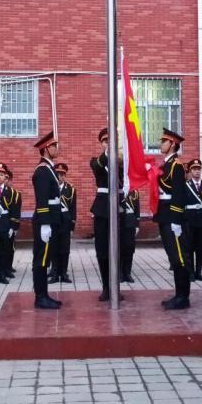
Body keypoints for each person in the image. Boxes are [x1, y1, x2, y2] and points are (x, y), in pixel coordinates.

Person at [155, 128, 191, 309]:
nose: (161, 144)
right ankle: (179, 294)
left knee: (179, 257)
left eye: (164, 141)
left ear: (172, 144)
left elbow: (178, 194)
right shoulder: (166, 164)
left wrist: (176, 220)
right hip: (164, 214)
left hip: (172, 215)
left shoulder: (176, 165)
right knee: (173, 257)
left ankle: (183, 297)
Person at [32, 132, 64, 309]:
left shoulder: (49, 169)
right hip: (46, 220)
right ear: (46, 149)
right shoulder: (42, 171)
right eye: (54, 146)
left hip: (52, 218)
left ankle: (44, 295)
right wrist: (45, 224)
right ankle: (40, 297)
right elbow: (42, 199)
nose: (57, 149)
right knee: (41, 259)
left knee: (46, 258)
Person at [90, 127, 115, 301]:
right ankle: (106, 286)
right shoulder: (96, 161)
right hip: (102, 207)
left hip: (118, 206)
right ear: (101, 143)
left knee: (119, 249)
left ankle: (116, 286)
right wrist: (108, 152)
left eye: (111, 140)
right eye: (105, 141)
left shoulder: (121, 161)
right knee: (102, 250)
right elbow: (98, 166)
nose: (108, 143)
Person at [184, 158, 202, 281]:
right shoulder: (185, 185)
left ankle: (198, 272)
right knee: (189, 247)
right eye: (194, 169)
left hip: (201, 220)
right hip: (189, 220)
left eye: (198, 169)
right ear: (190, 171)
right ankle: (190, 273)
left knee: (200, 248)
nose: (197, 171)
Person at [50, 162, 76, 284]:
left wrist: (72, 227)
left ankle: (64, 273)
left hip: (65, 221)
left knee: (65, 249)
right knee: (54, 247)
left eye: (62, 174)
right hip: (53, 221)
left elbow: (73, 209)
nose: (60, 177)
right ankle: (55, 273)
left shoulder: (71, 189)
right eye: (58, 174)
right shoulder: (50, 188)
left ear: (65, 176)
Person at [2, 166, 21, 279]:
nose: (5, 181)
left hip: (10, 224)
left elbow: (16, 211)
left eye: (7, 179)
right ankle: (0, 267)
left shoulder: (15, 194)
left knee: (10, 247)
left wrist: (15, 227)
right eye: (4, 178)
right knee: (0, 248)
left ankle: (8, 267)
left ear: (10, 180)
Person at [119, 187, 140, 283]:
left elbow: (137, 209)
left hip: (131, 221)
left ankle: (127, 273)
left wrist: (137, 225)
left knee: (130, 248)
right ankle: (119, 273)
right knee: (120, 247)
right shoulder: (117, 190)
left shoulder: (135, 191)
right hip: (120, 221)